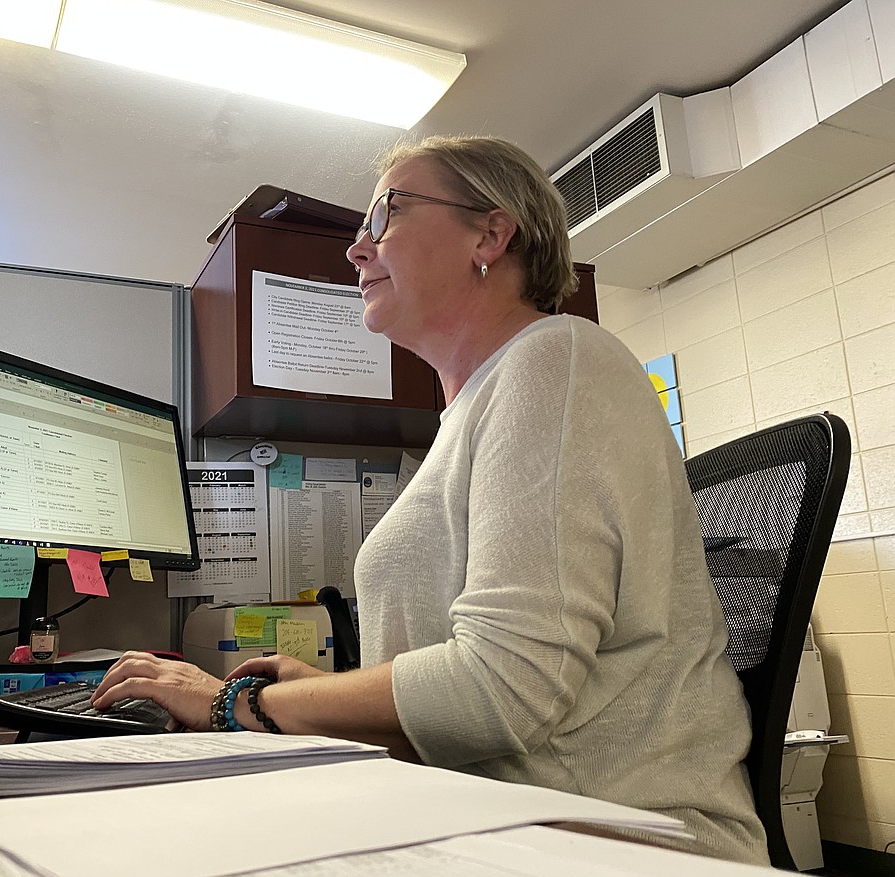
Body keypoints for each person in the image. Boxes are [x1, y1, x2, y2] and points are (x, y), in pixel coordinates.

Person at [93, 135, 769, 865]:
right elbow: (469, 702)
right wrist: (327, 692)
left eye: (386, 213)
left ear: (490, 231)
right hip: (495, 824)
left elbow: (503, 692)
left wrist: (236, 705)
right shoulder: (475, 413)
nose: (357, 249)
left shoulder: (554, 358)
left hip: (614, 839)